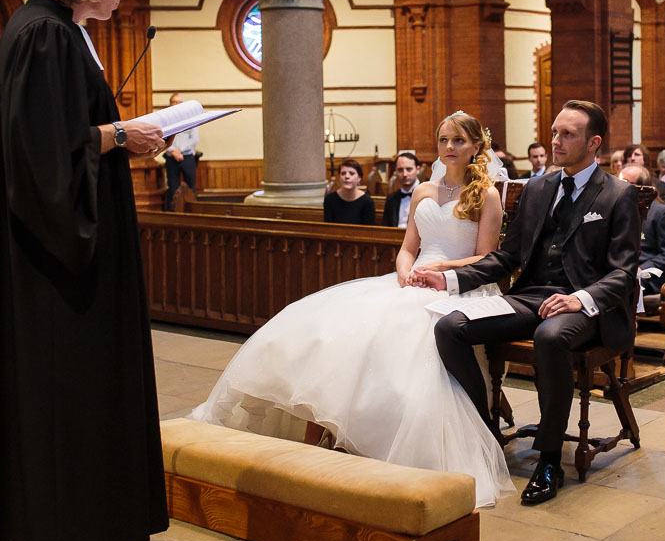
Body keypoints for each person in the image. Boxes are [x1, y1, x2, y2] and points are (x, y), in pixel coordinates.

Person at [190, 111, 514, 507]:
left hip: (457, 287)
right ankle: (314, 446)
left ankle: (370, 441)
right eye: (444, 139)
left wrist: (442, 270)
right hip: (412, 281)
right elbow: (408, 246)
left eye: (459, 141)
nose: (449, 147)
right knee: (331, 334)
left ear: (476, 147)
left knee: (402, 346)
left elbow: (485, 258)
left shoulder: (487, 195)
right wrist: (404, 272)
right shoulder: (424, 192)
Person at [0, 0, 169, 541]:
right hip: (58, 267)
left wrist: (116, 132)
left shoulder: (59, 33)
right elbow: (45, 163)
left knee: (88, 397)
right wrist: (123, 135)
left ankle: (102, 533)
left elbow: (57, 134)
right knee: (69, 398)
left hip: (71, 256)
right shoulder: (46, 38)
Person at [414, 100, 640, 506]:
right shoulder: (538, 188)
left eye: (567, 134)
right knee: (450, 327)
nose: (556, 140)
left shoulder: (618, 195)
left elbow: (623, 273)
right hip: (530, 295)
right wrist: (449, 278)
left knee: (550, 338)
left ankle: (549, 459)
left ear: (594, 143)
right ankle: (485, 431)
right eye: (555, 132)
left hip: (586, 307)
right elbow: (507, 257)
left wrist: (579, 298)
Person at [620, 165, 665, 296]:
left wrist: (642, 268)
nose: (620, 187)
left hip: (646, 273)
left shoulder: (660, 212)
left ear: (642, 188)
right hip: (621, 268)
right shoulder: (617, 208)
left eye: (626, 183)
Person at [163, 92, 199, 210]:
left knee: (190, 186)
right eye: (174, 102)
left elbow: (194, 138)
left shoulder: (191, 119)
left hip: (187, 157)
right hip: (171, 157)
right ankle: (174, 214)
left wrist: (180, 151)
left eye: (179, 102)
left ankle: (191, 211)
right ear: (169, 105)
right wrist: (173, 151)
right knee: (172, 187)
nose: (176, 104)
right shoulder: (165, 120)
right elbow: (162, 137)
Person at [324, 159, 375, 225]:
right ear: (339, 177)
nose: (347, 176)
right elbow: (328, 229)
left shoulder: (367, 202)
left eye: (351, 173)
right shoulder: (330, 200)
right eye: (343, 173)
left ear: (359, 178)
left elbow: (368, 231)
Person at [382, 151, 421, 227]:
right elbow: (385, 229)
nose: (404, 174)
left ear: (418, 170)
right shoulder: (391, 199)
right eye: (400, 170)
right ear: (395, 171)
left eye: (409, 169)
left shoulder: (428, 196)